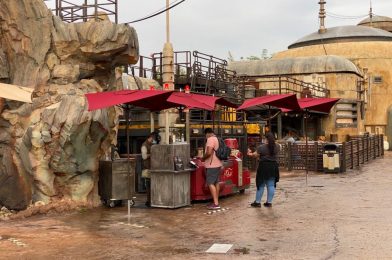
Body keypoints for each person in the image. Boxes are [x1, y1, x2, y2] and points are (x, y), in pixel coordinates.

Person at [247, 132, 280, 208]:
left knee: (261, 184)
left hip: (263, 167)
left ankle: (257, 202)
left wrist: (249, 153)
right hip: (273, 166)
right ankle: (269, 202)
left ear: (266, 139)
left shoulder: (261, 147)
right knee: (271, 184)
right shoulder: (278, 146)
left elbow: (254, 155)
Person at [201, 128, 223, 210]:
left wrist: (203, 158)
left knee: (210, 183)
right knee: (216, 183)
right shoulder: (217, 138)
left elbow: (209, 152)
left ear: (207, 134)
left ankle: (216, 204)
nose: (206, 137)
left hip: (211, 165)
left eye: (205, 135)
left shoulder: (210, 139)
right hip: (218, 163)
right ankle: (216, 201)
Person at [141, 132, 155, 207]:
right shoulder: (144, 145)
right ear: (150, 137)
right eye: (152, 138)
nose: (153, 139)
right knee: (149, 185)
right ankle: (149, 201)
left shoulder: (151, 145)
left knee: (151, 185)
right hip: (147, 168)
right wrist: (152, 154)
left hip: (151, 167)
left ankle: (151, 200)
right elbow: (144, 156)